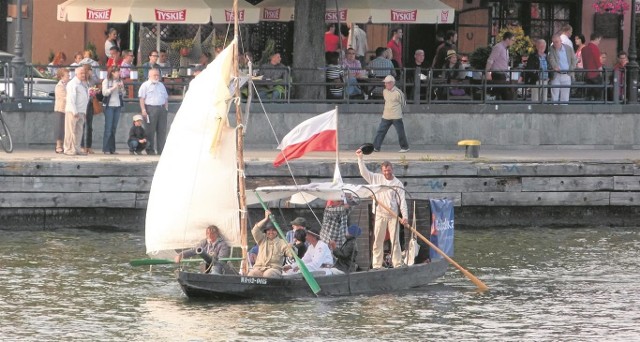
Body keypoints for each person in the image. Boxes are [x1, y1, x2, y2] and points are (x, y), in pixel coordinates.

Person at [355, 152, 409, 269]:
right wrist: (360, 158)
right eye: (385, 171)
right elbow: (364, 173)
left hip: (393, 215)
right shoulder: (376, 178)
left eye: (388, 171)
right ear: (382, 171)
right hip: (380, 214)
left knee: (395, 241)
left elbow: (402, 201)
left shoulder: (397, 183)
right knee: (378, 240)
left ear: (392, 169)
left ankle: (397, 264)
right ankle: (377, 265)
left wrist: (405, 216)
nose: (387, 173)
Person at [248, 209, 294, 278]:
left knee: (268, 274)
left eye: (273, 230)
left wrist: (291, 248)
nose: (271, 232)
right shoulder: (262, 239)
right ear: (266, 231)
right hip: (259, 268)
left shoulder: (282, 242)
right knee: (252, 273)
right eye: (268, 230)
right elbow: (255, 230)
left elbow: (292, 255)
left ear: (277, 231)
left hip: (274, 270)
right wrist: (266, 219)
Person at [372, 75, 409, 153]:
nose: (385, 84)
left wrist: (399, 111)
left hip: (396, 116)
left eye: (387, 83)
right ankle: (376, 147)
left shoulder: (398, 92)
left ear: (392, 83)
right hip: (386, 115)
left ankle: (405, 147)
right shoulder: (384, 91)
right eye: (385, 83)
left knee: (400, 132)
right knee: (380, 131)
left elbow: (403, 103)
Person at [138, 68, 168, 155]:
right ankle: (150, 150)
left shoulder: (161, 85)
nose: (156, 77)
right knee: (150, 131)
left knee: (162, 130)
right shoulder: (145, 85)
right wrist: (143, 110)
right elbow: (142, 98)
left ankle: (161, 150)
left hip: (161, 109)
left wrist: (166, 109)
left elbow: (165, 98)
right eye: (154, 75)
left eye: (158, 75)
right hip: (150, 108)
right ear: (149, 76)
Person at [63, 66, 89, 156]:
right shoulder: (72, 84)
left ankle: (76, 149)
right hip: (73, 111)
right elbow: (71, 99)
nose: (83, 75)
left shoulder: (83, 84)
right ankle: (68, 149)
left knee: (79, 131)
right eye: (81, 73)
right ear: (76, 74)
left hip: (81, 111)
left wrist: (84, 112)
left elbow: (85, 98)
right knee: (70, 131)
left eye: (84, 73)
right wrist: (74, 111)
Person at [101, 67, 125, 154]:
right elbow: (104, 93)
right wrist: (113, 88)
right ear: (112, 73)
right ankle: (106, 148)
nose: (119, 73)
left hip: (117, 105)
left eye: (119, 72)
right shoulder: (106, 81)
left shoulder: (120, 81)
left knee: (114, 128)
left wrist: (122, 89)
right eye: (117, 72)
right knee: (108, 128)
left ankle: (112, 149)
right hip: (109, 106)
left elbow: (123, 94)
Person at [486, 31, 515, 100]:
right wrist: (487, 72)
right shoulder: (498, 47)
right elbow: (491, 59)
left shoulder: (506, 49)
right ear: (507, 39)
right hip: (497, 73)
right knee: (504, 94)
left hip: (503, 74)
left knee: (503, 94)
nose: (513, 42)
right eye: (512, 40)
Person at [548, 34, 576, 103]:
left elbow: (574, 60)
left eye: (557, 42)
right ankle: (554, 111)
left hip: (567, 74)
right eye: (554, 42)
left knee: (565, 97)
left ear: (561, 41)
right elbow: (551, 59)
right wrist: (555, 66)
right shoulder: (551, 48)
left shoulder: (568, 48)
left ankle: (564, 111)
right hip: (556, 74)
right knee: (554, 96)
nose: (555, 44)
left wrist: (571, 69)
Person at [80, 63, 99, 155]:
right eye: (90, 70)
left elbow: (96, 84)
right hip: (83, 104)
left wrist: (95, 91)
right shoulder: (81, 81)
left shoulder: (91, 81)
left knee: (90, 126)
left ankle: (89, 146)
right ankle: (82, 146)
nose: (91, 72)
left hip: (90, 103)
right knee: (83, 125)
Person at [524, 39, 550, 103]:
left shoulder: (547, 56)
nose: (542, 48)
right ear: (537, 46)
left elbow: (550, 67)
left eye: (544, 46)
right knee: (535, 99)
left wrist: (550, 76)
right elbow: (529, 68)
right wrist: (535, 76)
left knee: (544, 99)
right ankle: (535, 112)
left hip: (545, 80)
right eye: (541, 46)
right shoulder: (533, 56)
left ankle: (543, 112)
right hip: (536, 81)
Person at [581, 32, 604, 101]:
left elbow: (584, 62)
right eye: (599, 40)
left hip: (587, 74)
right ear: (596, 39)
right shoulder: (595, 48)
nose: (599, 42)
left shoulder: (584, 49)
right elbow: (598, 62)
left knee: (589, 93)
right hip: (595, 74)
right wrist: (601, 72)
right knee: (598, 94)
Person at [53, 68, 70, 154]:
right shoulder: (59, 86)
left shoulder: (69, 85)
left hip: (68, 109)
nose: (69, 77)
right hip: (60, 108)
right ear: (62, 77)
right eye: (67, 76)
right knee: (59, 127)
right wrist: (71, 98)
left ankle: (64, 145)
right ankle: (58, 145)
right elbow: (63, 97)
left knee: (66, 128)